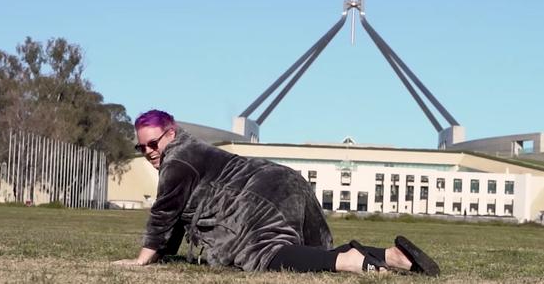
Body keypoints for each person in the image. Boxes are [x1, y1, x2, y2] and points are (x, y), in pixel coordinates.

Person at [113, 110, 440, 276]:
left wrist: (143, 260)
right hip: (286, 180)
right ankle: (390, 256)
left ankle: (355, 261)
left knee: (266, 255)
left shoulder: (178, 159)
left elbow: (165, 213)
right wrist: (165, 256)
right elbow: (179, 218)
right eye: (141, 146)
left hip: (260, 196)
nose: (148, 151)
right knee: (310, 255)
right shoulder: (193, 151)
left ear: (170, 134)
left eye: (153, 143)